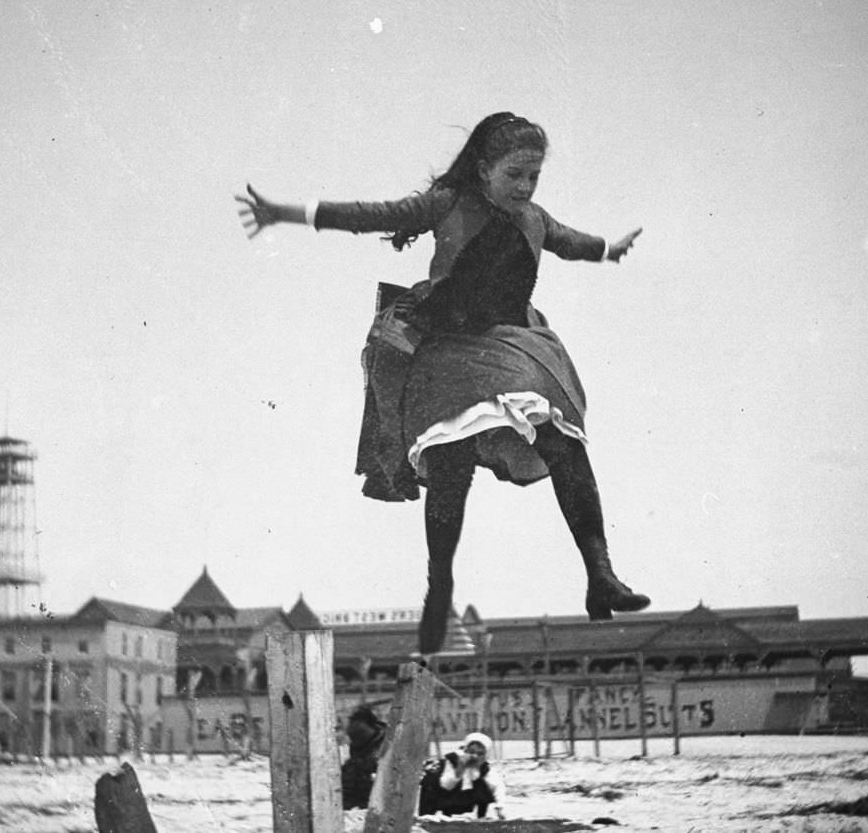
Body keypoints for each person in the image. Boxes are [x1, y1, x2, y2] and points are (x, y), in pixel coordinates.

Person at [236, 112, 650, 654]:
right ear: (483, 170)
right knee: (450, 467)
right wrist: (283, 213)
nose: (524, 188)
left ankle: (601, 573)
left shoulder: (535, 217)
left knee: (563, 441)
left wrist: (608, 249)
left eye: (533, 178)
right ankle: (440, 587)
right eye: (514, 176)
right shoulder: (449, 204)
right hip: (443, 346)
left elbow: (571, 242)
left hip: (509, 344)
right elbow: (369, 215)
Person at [418, 731, 505, 819]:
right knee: (429, 785)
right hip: (442, 798)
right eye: (471, 752)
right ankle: (427, 817)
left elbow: (498, 786)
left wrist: (500, 808)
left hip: (463, 801)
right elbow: (445, 786)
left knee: (484, 785)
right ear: (465, 750)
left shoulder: (484, 768)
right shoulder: (452, 761)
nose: (475, 756)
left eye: (480, 754)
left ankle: (481, 817)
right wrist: (459, 770)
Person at [341, 705, 387, 809]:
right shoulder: (358, 746)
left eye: (360, 734)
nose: (356, 740)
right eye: (353, 736)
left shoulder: (387, 742)